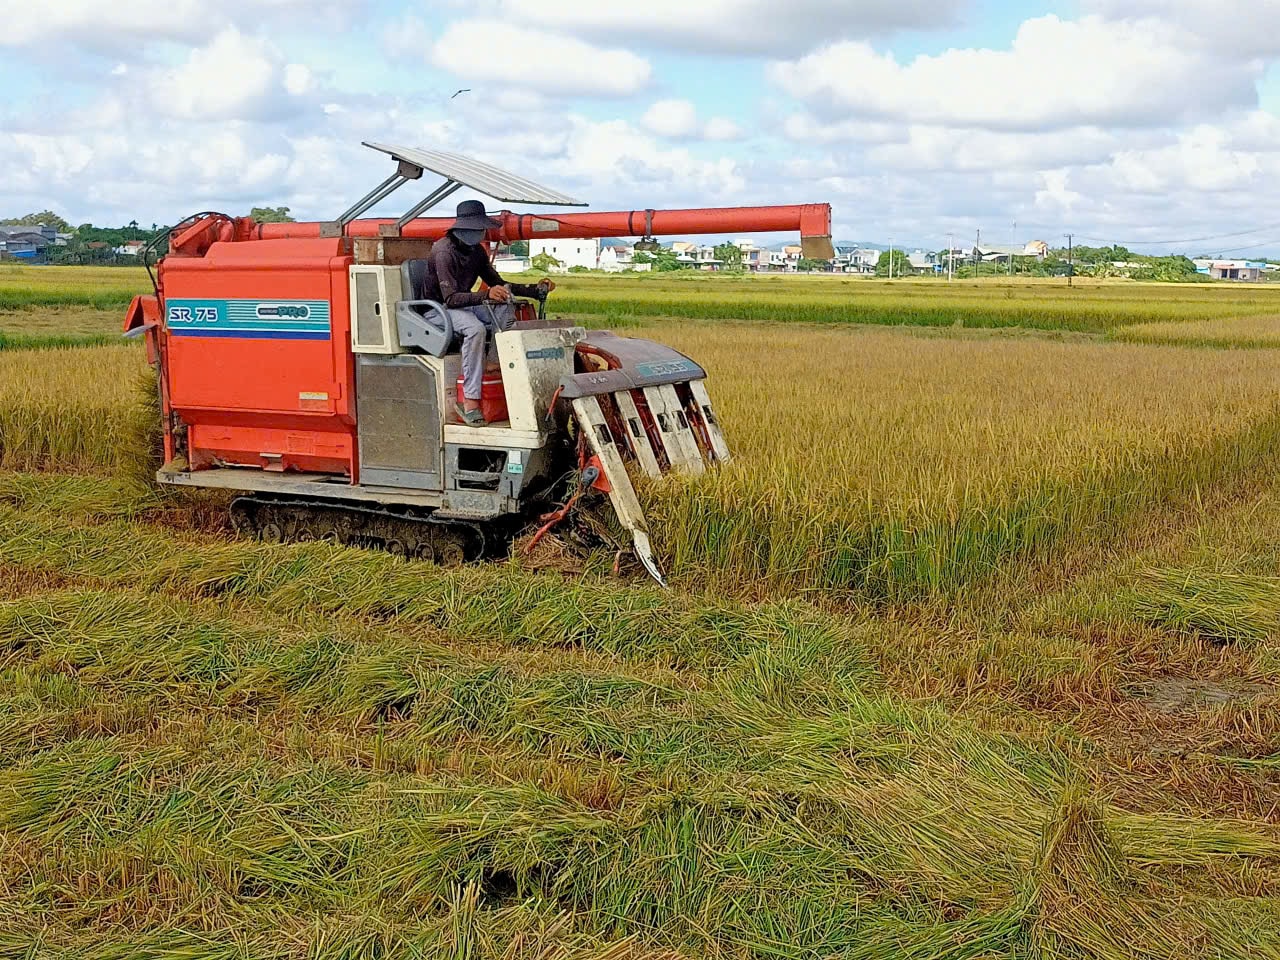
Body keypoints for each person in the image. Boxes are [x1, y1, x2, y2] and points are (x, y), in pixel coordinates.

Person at [421, 199, 555, 425]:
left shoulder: (475, 252)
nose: (480, 233)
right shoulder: (444, 251)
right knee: (475, 328)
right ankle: (470, 402)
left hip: (460, 305)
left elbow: (497, 283)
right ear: (462, 228)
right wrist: (486, 294)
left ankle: (492, 362)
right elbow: (451, 299)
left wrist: (533, 290)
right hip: (437, 310)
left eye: (481, 229)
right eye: (477, 229)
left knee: (504, 305)